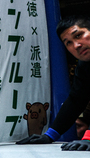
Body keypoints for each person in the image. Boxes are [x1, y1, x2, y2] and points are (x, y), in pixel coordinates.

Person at [18, 16, 90, 150]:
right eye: (68, 43)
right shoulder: (84, 66)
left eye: (79, 35)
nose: (76, 45)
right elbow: (76, 101)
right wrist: (50, 135)